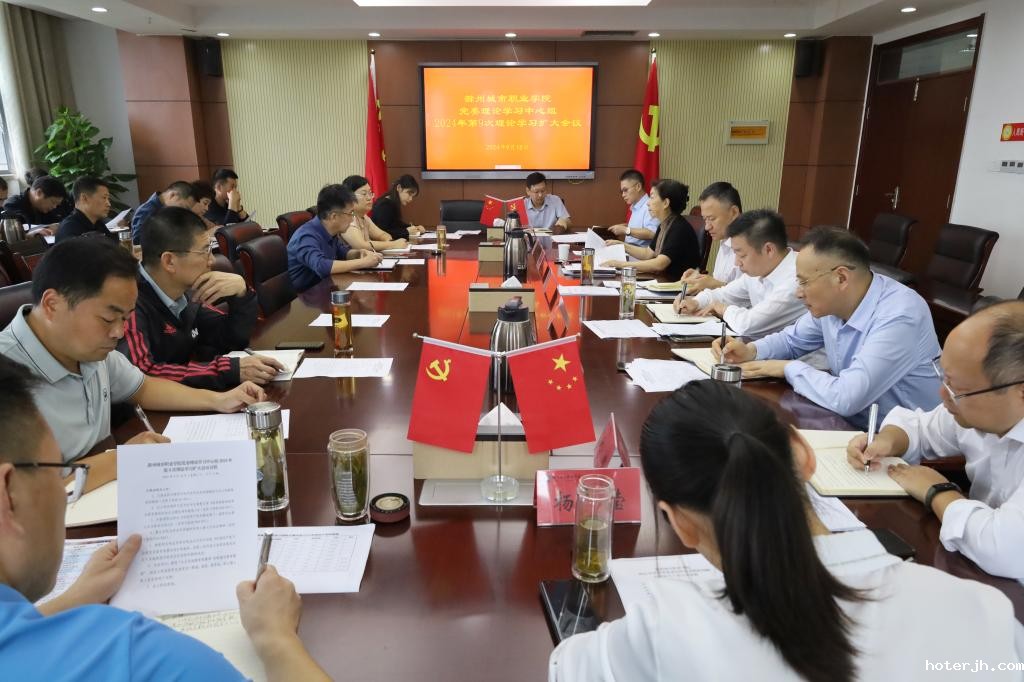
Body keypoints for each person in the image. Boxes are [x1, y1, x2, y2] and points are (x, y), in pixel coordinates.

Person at [549, 381, 1024, 682]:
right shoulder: (981, 611)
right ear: (804, 454)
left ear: (681, 525)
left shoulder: (667, 629)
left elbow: (566, 668)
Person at [0, 357, 330, 681]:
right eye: (60, 472)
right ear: (8, 493)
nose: (65, 494)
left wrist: (73, 599)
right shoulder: (137, 657)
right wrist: (276, 638)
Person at [0, 236, 266, 462]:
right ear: (52, 305)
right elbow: (19, 489)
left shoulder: (88, 351)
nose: (119, 332)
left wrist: (219, 400)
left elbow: (143, 387)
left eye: (125, 318)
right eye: (108, 319)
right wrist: (119, 459)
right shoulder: (7, 371)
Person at [847, 301, 1024, 580]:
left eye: (956, 389)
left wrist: (937, 491)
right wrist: (886, 441)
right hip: (973, 567)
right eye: (945, 377)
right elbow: (920, 427)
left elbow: (1004, 549)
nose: (942, 394)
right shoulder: (976, 411)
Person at [714, 226, 941, 428]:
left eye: (804, 282)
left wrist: (787, 368)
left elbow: (847, 397)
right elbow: (791, 340)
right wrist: (751, 350)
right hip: (847, 424)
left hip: (901, 444)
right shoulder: (833, 304)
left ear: (841, 278)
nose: (798, 292)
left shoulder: (900, 315)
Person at [118, 207, 283, 389]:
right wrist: (229, 370)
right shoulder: (128, 303)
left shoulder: (186, 293)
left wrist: (241, 295)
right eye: (205, 251)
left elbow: (229, 338)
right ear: (169, 261)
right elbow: (141, 376)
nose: (212, 260)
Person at [673, 209, 803, 339]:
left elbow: (748, 325)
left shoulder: (797, 279)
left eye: (742, 255)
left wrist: (723, 309)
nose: (736, 262)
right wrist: (696, 302)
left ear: (768, 250)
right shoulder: (761, 268)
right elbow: (724, 294)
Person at [287, 184, 384, 292]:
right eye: (350, 213)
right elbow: (322, 266)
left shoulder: (330, 231)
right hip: (305, 297)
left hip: (326, 290)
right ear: (333, 216)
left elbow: (342, 252)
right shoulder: (306, 236)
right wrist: (363, 262)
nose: (352, 219)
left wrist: (360, 253)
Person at [601, 179, 700, 280]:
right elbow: (647, 253)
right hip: (663, 280)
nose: (648, 203)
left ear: (665, 203)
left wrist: (621, 264)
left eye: (652, 197)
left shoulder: (679, 228)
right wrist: (621, 245)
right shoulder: (665, 224)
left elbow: (659, 264)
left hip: (676, 284)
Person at [679, 181, 743, 295]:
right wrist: (700, 278)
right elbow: (721, 283)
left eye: (712, 219)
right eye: (705, 219)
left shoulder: (753, 245)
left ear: (734, 212)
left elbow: (750, 297)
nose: (707, 227)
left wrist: (715, 285)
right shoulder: (725, 240)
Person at [339, 175, 408, 252]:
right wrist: (392, 245)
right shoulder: (347, 217)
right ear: (349, 197)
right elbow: (360, 245)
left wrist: (388, 242)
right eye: (364, 194)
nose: (369, 198)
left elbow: (383, 235)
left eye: (370, 193)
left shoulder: (363, 217)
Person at [130, 180, 198, 243]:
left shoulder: (166, 209)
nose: (182, 212)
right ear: (172, 195)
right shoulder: (147, 211)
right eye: (183, 207)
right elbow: (138, 242)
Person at [607, 169, 660, 248]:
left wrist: (626, 230)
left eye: (625, 190)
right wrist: (625, 226)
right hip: (630, 250)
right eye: (622, 191)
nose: (623, 195)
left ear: (638, 187)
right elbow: (641, 226)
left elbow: (652, 233)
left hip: (640, 254)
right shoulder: (636, 206)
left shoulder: (649, 206)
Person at [2, 176, 70, 236]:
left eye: (57, 204)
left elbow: (63, 220)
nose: (54, 206)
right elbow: (18, 231)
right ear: (39, 193)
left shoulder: (46, 207)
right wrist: (37, 231)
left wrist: (58, 226)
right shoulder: (13, 204)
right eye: (53, 202)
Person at [54, 177, 115, 244]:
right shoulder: (69, 229)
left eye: (108, 199)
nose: (109, 204)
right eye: (104, 198)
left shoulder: (98, 224)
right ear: (84, 198)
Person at [371, 175, 425, 240]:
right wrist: (407, 231)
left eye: (412, 196)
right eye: (409, 194)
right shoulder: (384, 206)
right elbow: (383, 233)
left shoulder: (393, 203)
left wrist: (415, 228)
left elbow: (397, 225)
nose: (411, 199)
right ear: (399, 188)